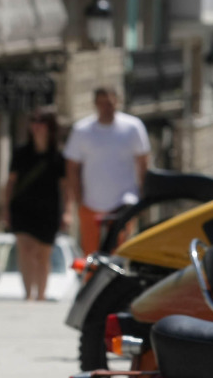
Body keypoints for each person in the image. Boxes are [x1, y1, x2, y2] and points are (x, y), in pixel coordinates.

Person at [63, 86, 150, 256]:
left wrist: (143, 196)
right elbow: (72, 168)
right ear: (95, 104)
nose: (106, 108)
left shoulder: (133, 127)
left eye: (109, 103)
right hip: (91, 203)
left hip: (123, 202)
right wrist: (78, 200)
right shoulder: (82, 130)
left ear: (117, 102)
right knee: (91, 254)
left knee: (120, 252)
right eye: (101, 104)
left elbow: (143, 163)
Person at [1, 108, 70, 301]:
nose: (37, 126)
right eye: (34, 122)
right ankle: (28, 295)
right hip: (22, 207)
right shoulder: (21, 153)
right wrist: (5, 208)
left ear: (50, 127)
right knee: (25, 250)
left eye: (42, 122)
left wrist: (67, 212)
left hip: (48, 209)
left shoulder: (58, 156)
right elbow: (11, 182)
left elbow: (65, 188)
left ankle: (41, 295)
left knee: (42, 254)